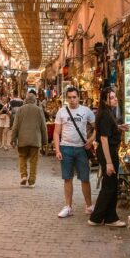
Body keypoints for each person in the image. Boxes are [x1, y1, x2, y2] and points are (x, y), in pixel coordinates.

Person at [53, 86, 96, 218]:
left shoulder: (86, 111)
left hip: (81, 148)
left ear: (79, 98)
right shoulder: (61, 112)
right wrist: (57, 149)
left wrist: (91, 140)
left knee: (85, 178)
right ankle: (68, 207)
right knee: (67, 178)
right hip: (66, 148)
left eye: (74, 97)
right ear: (67, 98)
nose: (72, 100)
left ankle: (89, 206)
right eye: (70, 97)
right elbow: (56, 132)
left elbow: (97, 127)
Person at [89, 87, 127, 227]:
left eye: (115, 96)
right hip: (108, 152)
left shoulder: (108, 112)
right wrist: (109, 163)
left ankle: (111, 217)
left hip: (109, 151)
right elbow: (104, 139)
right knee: (109, 185)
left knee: (111, 184)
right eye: (111, 97)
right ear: (105, 100)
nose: (115, 99)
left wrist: (118, 127)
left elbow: (108, 131)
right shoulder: (105, 114)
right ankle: (96, 217)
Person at [10, 93, 47, 187]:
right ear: (35, 100)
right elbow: (43, 126)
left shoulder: (20, 110)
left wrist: (13, 139)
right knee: (33, 161)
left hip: (22, 139)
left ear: (25, 100)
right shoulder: (39, 110)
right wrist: (45, 141)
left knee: (22, 157)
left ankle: (23, 176)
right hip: (35, 139)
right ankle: (32, 181)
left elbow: (15, 126)